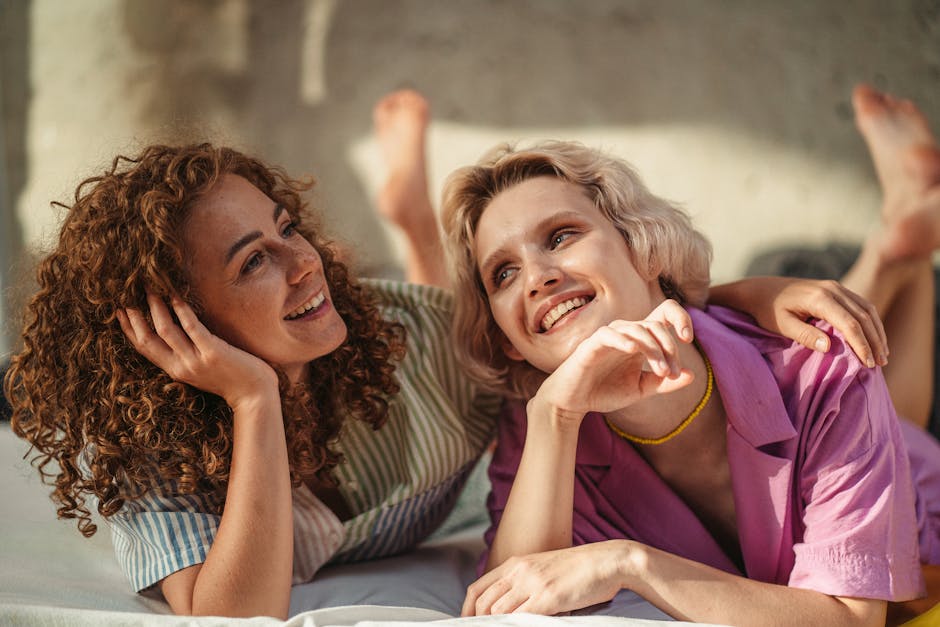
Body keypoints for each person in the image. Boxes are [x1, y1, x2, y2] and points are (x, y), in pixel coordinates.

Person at [3, 90, 889, 620]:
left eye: (287, 230)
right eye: (254, 261)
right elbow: (239, 613)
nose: (304, 258)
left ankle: (413, 220)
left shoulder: (407, 337)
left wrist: (752, 293)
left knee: (442, 301)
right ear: (178, 317)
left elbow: (585, 305)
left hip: (439, 357)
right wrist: (253, 402)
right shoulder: (141, 448)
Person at [439, 84, 940, 626]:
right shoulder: (538, 425)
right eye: (503, 273)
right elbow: (508, 603)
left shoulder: (820, 371)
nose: (537, 277)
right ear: (509, 338)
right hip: (849, 420)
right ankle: (901, 245)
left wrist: (631, 564)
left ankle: (900, 247)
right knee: (891, 406)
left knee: (874, 388)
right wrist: (553, 417)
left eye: (560, 236)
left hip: (921, 535)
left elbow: (852, 620)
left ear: (643, 246)